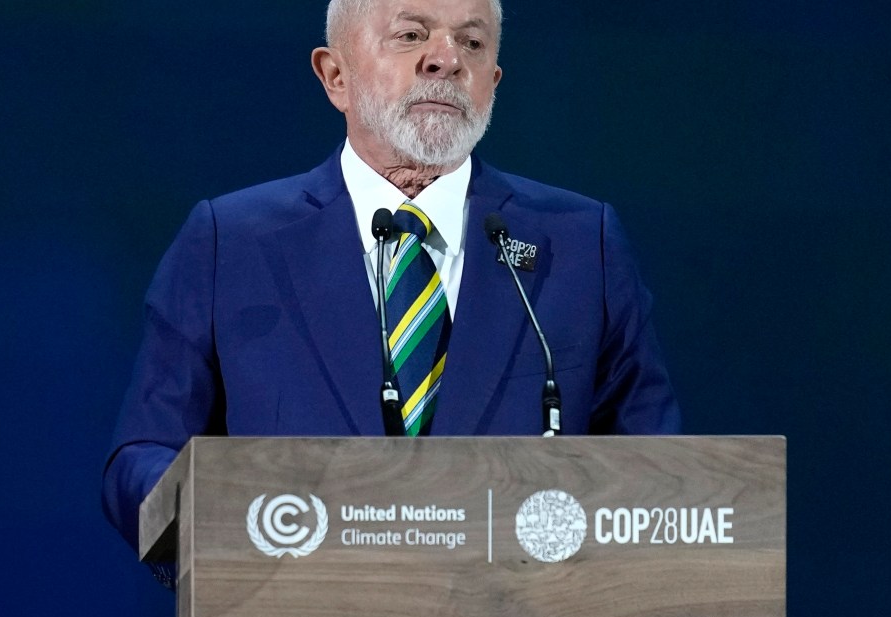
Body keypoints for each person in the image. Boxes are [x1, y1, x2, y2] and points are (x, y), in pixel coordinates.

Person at [101, 0, 682, 554]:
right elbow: (145, 456)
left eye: (471, 42)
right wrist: (227, 527)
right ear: (336, 76)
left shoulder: (581, 244)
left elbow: (657, 472)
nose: (446, 58)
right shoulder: (230, 242)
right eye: (411, 35)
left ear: (493, 82)